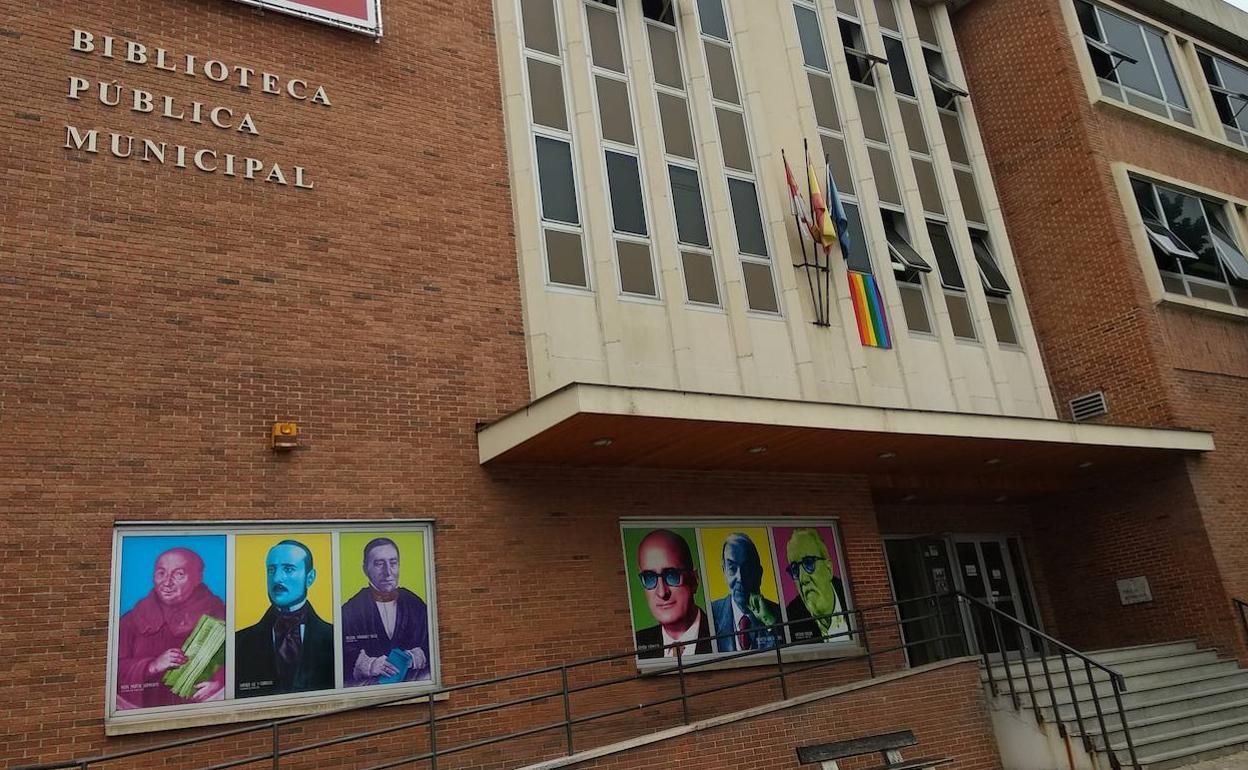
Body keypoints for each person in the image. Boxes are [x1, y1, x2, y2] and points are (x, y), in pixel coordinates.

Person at [116, 547, 226, 709]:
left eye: (179, 574)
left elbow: (241, 660)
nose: (167, 583)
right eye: (161, 573)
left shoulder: (219, 615)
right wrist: (152, 666)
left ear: (198, 578)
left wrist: (221, 684)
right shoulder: (131, 620)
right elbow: (113, 670)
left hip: (204, 709)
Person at [235, 540, 334, 698]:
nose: (277, 578)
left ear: (310, 577)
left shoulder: (333, 637)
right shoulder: (240, 642)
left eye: (288, 569)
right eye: (271, 570)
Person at [342, 537, 431, 686]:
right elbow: (340, 652)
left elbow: (434, 643)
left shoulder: (416, 604)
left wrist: (415, 657)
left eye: (393, 563)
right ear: (365, 569)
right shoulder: (350, 610)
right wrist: (369, 665)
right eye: (379, 564)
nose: (388, 572)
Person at [633, 529, 711, 659]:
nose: (662, 592)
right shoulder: (637, 644)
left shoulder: (724, 635)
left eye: (671, 575)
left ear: (694, 580)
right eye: (650, 577)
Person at [710, 533, 781, 652]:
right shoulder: (711, 614)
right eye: (732, 568)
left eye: (747, 569)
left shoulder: (777, 615)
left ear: (759, 573)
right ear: (724, 571)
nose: (740, 578)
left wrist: (770, 623)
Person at [784, 528, 850, 644]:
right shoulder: (792, 616)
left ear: (828, 568)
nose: (803, 579)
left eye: (809, 563)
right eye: (794, 569)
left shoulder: (848, 595)